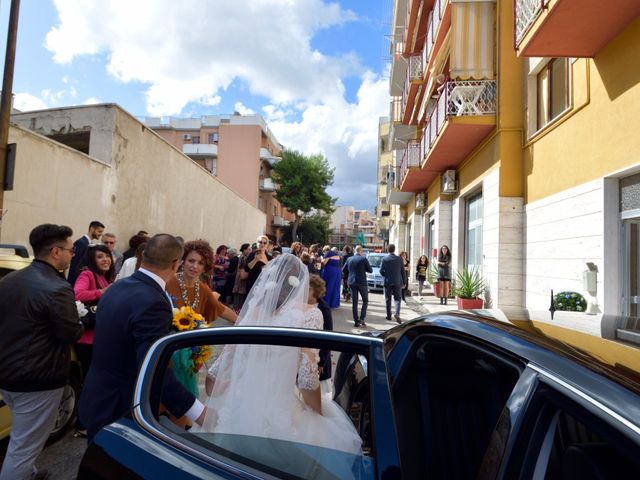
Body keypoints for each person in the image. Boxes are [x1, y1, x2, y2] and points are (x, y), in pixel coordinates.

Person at [194, 254, 362, 459]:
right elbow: (307, 379)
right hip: (280, 409)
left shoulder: (253, 314)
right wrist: (318, 413)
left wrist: (221, 391)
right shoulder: (310, 315)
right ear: (301, 285)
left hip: (240, 407)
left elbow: (216, 373)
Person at [78, 234, 207, 441]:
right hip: (120, 406)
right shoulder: (153, 301)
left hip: (97, 394)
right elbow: (153, 367)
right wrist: (199, 412)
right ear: (176, 264)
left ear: (144, 254)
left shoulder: (116, 287)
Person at [0, 224, 84, 480]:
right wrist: (85, 321)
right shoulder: (57, 287)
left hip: (8, 373)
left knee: (22, 438)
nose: (72, 255)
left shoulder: (9, 280)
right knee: (23, 448)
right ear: (56, 251)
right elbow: (70, 333)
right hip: (38, 379)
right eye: (70, 250)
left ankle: (29, 473)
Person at [166, 240, 237, 398]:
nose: (194, 266)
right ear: (183, 260)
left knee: (186, 396)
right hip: (168, 352)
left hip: (191, 353)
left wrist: (244, 321)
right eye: (191, 261)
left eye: (200, 263)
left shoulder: (202, 288)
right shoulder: (168, 283)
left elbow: (221, 309)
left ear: (205, 267)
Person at [308, 275, 333, 398]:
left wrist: (321, 362)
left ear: (315, 291)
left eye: (308, 289)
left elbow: (328, 337)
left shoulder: (324, 309)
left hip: (319, 357)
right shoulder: (301, 305)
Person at [342, 245, 373, 327]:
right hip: (362, 282)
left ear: (355, 250)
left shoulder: (349, 259)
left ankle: (356, 321)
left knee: (354, 303)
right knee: (365, 301)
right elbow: (370, 270)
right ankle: (362, 318)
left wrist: (349, 276)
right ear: (361, 251)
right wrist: (363, 269)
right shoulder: (363, 259)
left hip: (352, 282)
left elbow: (343, 270)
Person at [68, 220, 105, 285]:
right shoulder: (81, 243)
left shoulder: (90, 244)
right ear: (92, 229)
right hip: (76, 282)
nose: (101, 234)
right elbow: (75, 265)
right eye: (99, 231)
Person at [380, 244, 404, 324]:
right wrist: (404, 282)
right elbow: (403, 272)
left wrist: (385, 275)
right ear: (394, 249)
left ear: (387, 250)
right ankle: (397, 313)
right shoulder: (399, 259)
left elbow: (381, 271)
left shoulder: (385, 259)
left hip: (388, 282)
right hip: (397, 282)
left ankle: (389, 316)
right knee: (397, 299)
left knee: (388, 299)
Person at [232, 243, 251, 312]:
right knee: (239, 293)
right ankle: (236, 310)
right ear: (244, 250)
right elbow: (243, 268)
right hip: (241, 276)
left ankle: (236, 309)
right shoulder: (243, 257)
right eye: (248, 249)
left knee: (239, 293)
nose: (250, 250)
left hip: (240, 276)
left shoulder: (242, 256)